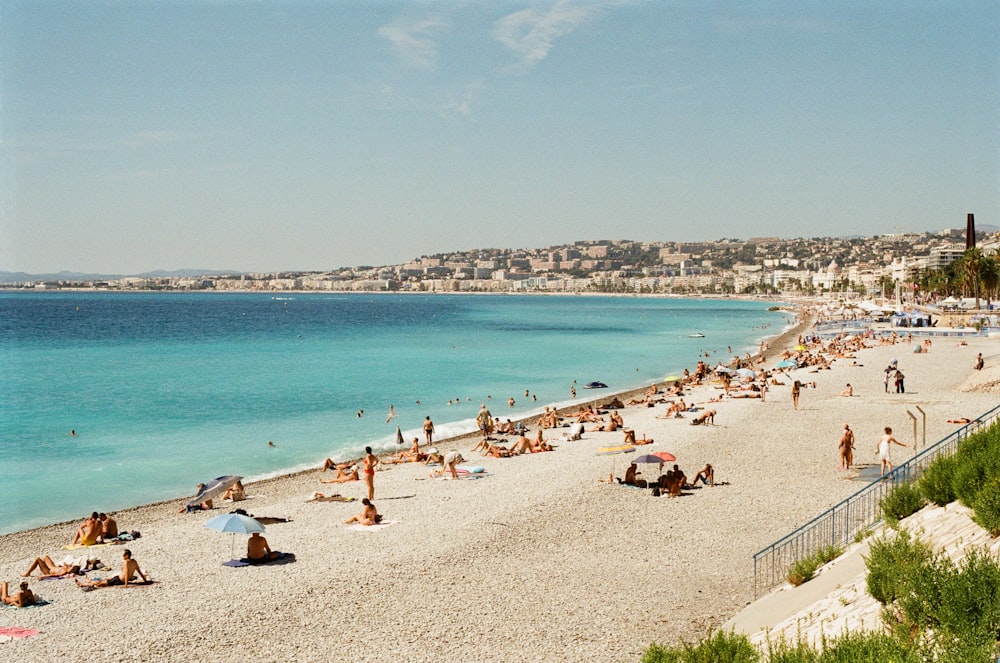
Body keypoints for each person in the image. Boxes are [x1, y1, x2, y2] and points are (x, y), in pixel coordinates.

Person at [75, 549, 147, 589]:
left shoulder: (126, 562)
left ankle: (83, 585)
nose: (122, 557)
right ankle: (90, 581)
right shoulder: (134, 561)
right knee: (105, 579)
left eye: (123, 555)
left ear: (127, 555)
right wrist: (145, 581)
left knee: (101, 583)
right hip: (118, 578)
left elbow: (127, 573)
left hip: (119, 580)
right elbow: (139, 571)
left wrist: (126, 585)